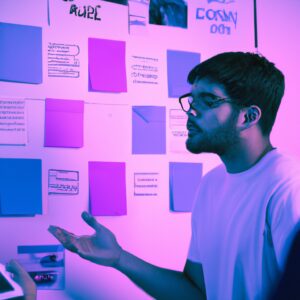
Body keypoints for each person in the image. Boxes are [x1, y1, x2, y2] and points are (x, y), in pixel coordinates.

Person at [48, 52, 300, 299]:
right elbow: (196, 292)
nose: (191, 111)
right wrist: (118, 258)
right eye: (193, 100)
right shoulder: (211, 184)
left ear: (248, 117)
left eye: (209, 100)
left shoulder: (288, 185)